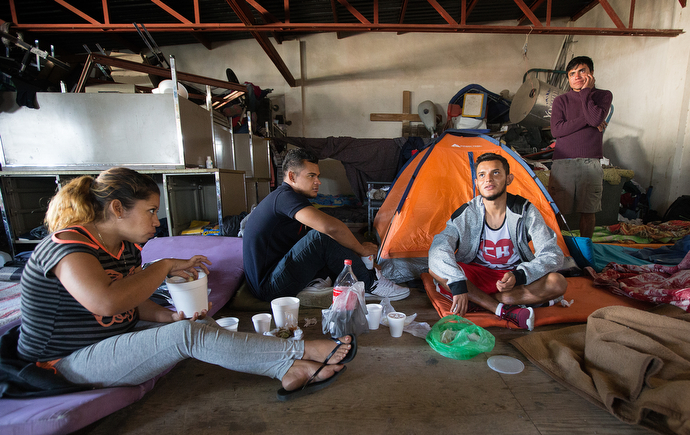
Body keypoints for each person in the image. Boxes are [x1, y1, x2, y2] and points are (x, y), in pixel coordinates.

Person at [13, 167, 356, 400]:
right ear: (117, 208)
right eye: (149, 211)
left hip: (109, 339)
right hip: (64, 363)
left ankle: (288, 370)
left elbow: (130, 296)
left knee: (194, 323)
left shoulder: (123, 247)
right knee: (187, 336)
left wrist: (166, 316)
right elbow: (106, 303)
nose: (156, 222)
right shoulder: (69, 247)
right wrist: (162, 268)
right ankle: (299, 352)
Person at [243, 148, 409, 302]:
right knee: (322, 235)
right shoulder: (284, 198)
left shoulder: (290, 198)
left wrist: (357, 254)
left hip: (278, 272)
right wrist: (361, 249)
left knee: (328, 236)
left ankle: (359, 275)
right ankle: (371, 283)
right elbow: (330, 228)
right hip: (269, 287)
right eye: (311, 176)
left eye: (318, 176)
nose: (318, 182)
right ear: (292, 177)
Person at [428, 153, 568, 330]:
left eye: (495, 173)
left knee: (558, 282)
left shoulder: (525, 211)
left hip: (511, 278)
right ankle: (501, 308)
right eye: (482, 175)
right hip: (478, 274)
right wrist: (457, 280)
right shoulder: (468, 212)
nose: (488, 179)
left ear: (509, 179)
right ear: (477, 183)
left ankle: (477, 301)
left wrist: (520, 275)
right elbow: (439, 247)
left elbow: (552, 254)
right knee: (437, 268)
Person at [549, 55, 613, 238]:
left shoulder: (603, 96)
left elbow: (595, 119)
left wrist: (586, 93)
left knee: (588, 210)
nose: (576, 76)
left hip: (590, 162)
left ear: (591, 74)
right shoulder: (561, 100)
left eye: (582, 71)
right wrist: (591, 120)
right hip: (563, 162)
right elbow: (557, 130)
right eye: (572, 73)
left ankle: (585, 249)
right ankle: (558, 248)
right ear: (568, 78)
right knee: (559, 210)